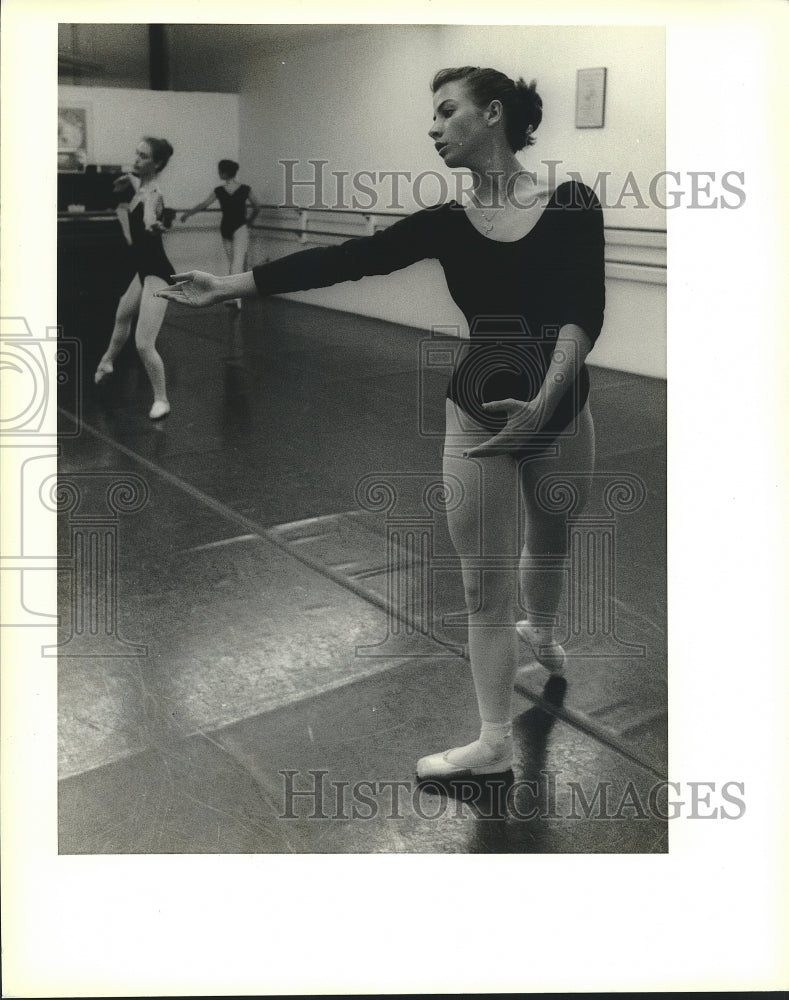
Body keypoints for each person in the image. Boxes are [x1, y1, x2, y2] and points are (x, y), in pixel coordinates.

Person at [156, 67, 605, 780]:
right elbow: (349, 259)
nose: (431, 126)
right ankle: (492, 743)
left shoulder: (571, 203)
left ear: (492, 114)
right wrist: (230, 284)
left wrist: (547, 404)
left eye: (444, 110)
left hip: (561, 406)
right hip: (477, 414)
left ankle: (541, 631)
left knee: (550, 537)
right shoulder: (446, 224)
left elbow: (582, 309)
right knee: (480, 584)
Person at [94, 137, 176, 420]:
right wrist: (127, 182)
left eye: (143, 156)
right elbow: (133, 182)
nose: (137, 159)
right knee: (121, 315)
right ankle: (106, 362)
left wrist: (152, 224)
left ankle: (162, 399)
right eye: (136, 153)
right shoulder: (139, 185)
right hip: (142, 271)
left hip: (157, 273)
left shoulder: (154, 193)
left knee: (143, 343)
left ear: (157, 163)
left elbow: (152, 219)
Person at [180, 159, 260, 308]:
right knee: (237, 263)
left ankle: (235, 298)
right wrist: (250, 220)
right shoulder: (245, 189)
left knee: (235, 264)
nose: (218, 173)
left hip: (228, 228)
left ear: (224, 173)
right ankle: (237, 296)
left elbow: (203, 205)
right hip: (240, 227)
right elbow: (257, 206)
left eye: (219, 171)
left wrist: (188, 214)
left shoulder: (219, 190)